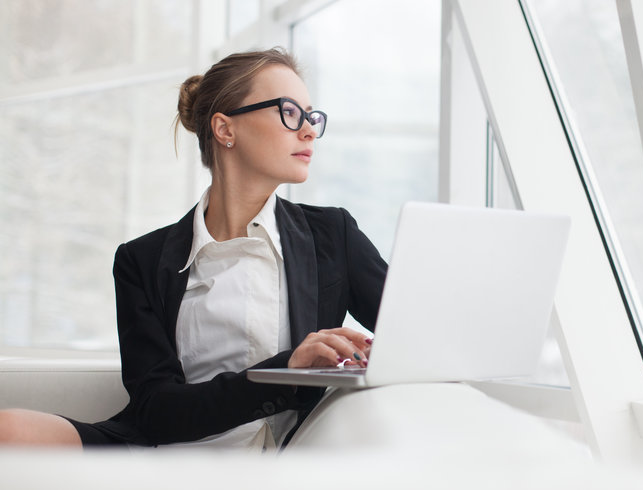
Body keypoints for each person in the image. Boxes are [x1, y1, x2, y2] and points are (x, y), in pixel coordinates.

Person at [0, 48, 388, 449]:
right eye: (289, 112)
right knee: (8, 430)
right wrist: (286, 367)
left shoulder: (333, 235)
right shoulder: (141, 260)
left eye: (311, 117)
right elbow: (155, 411)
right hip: (163, 449)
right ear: (225, 129)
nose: (308, 130)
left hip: (276, 456)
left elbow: (416, 335)